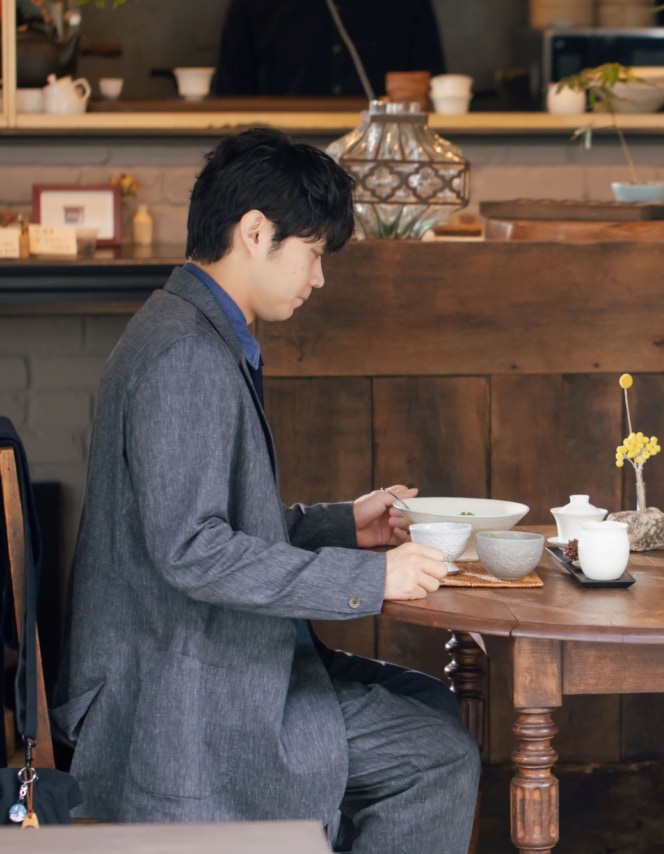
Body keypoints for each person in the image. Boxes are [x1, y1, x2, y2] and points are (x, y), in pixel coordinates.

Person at [52, 127, 480, 854]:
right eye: (313, 252)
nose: (319, 278)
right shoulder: (185, 354)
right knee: (439, 758)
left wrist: (344, 525)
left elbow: (206, 525)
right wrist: (371, 578)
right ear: (255, 233)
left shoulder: (195, 331)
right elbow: (192, 550)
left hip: (203, 656)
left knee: (433, 705)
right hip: (175, 696)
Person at [213, 0, 446, 97]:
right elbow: (230, 94)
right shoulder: (253, 5)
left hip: (383, 154)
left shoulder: (407, 5)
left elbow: (436, 90)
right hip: (279, 163)